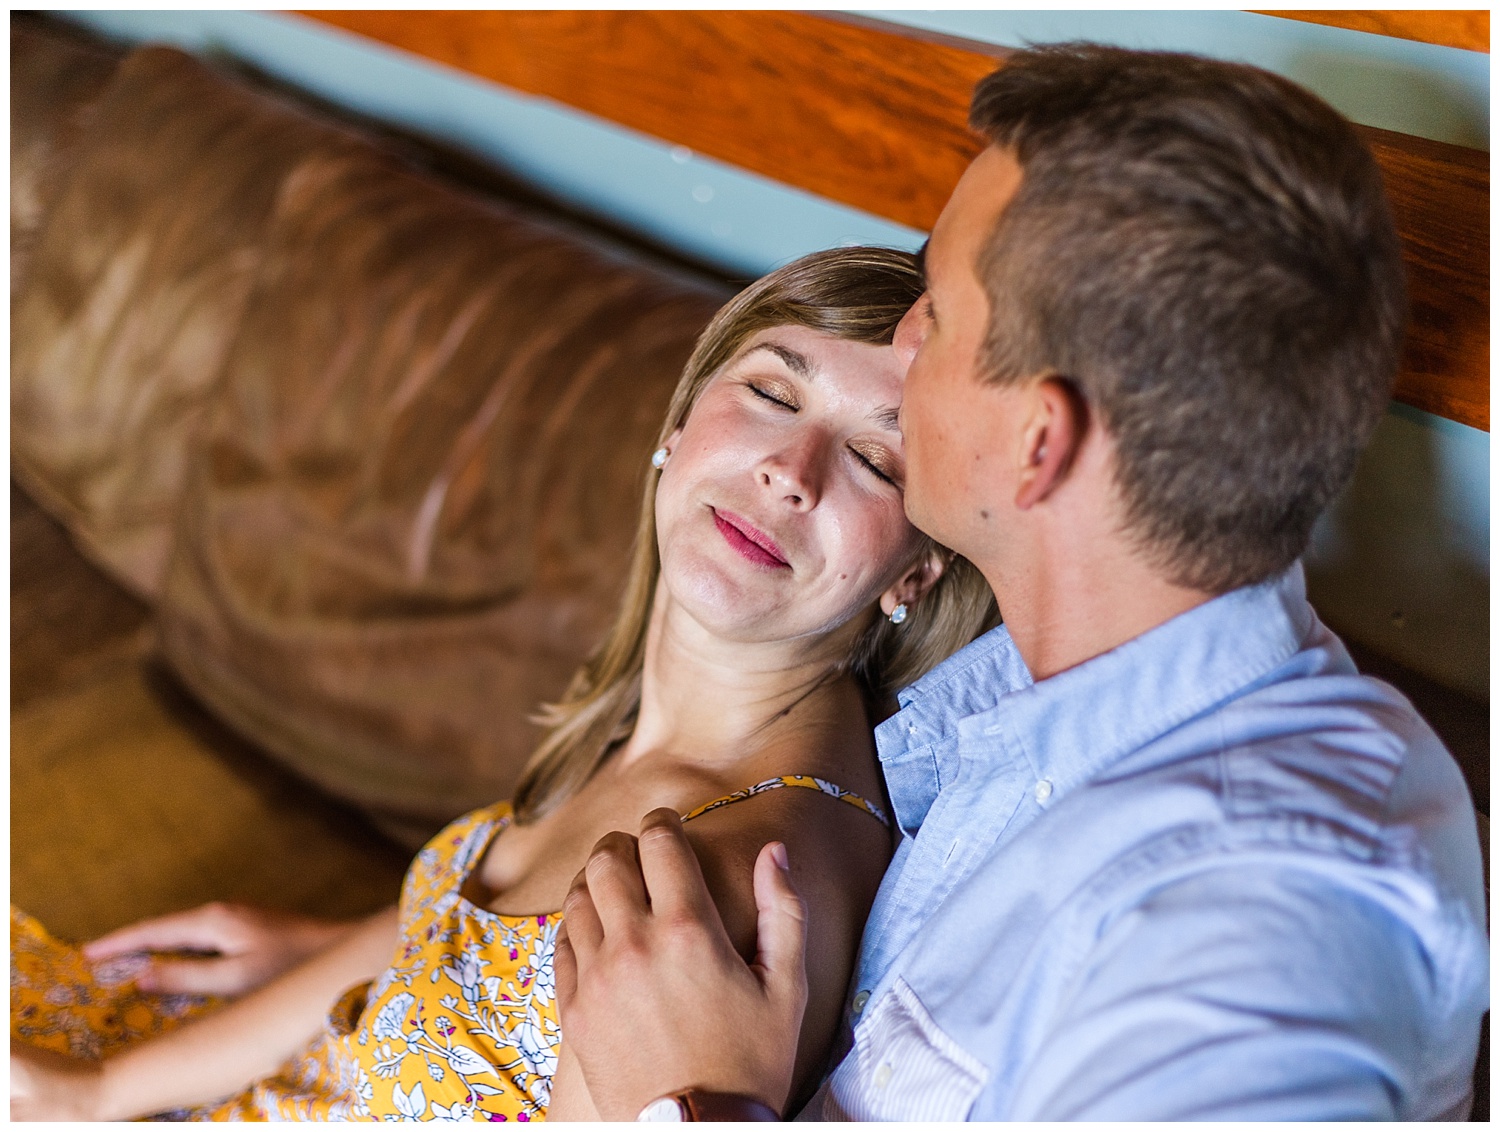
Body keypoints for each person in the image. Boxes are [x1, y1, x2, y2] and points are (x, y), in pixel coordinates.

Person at [550, 44, 1490, 1121]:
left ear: (1037, 443)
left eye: (938, 313)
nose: (905, 336)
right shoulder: (1002, 719)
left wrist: (682, 1103)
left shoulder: (1263, 920)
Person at [8, 246, 999, 1121]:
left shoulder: (738, 881)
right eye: (775, 393)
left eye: (875, 458)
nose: (791, 468)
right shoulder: (667, 735)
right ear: (682, 421)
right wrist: (91, 1093)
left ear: (918, 568)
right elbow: (448, 939)